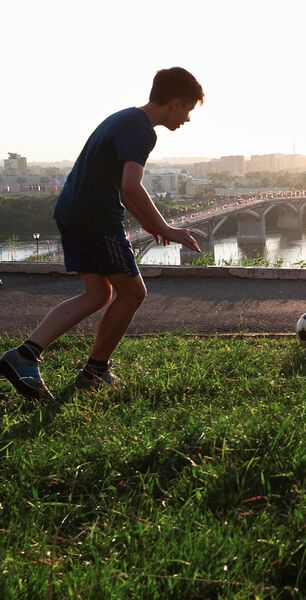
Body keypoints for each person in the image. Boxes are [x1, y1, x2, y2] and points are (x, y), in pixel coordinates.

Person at [1, 67, 203, 400]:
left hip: (72, 211)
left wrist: (153, 227)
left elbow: (125, 191)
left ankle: (24, 355)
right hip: (96, 220)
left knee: (97, 294)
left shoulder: (124, 118)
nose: (187, 120)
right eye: (188, 111)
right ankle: (95, 371)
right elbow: (130, 185)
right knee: (134, 293)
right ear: (176, 103)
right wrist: (166, 227)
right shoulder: (142, 131)